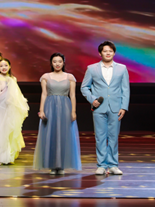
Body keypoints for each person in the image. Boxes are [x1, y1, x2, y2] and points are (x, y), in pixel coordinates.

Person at [80, 41, 130, 176]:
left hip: (116, 107)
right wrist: (93, 99)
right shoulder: (92, 68)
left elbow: (125, 89)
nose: (108, 53)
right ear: (100, 53)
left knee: (113, 137)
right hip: (99, 108)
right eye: (105, 51)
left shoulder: (122, 68)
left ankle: (113, 165)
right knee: (100, 137)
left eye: (110, 51)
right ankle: (101, 165)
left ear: (114, 53)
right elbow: (84, 87)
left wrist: (124, 107)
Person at [33, 53, 81, 174]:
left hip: (65, 107)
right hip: (50, 106)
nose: (57, 64)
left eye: (60, 61)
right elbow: (44, 94)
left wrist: (73, 111)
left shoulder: (70, 77)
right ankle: (53, 166)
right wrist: (41, 110)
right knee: (51, 135)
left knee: (64, 135)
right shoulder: (46, 77)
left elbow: (73, 95)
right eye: (54, 61)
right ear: (51, 63)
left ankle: (61, 166)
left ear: (63, 63)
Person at [0, 58, 29, 165]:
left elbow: (16, 95)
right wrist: (8, 87)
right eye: (1, 66)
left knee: (7, 132)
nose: (4, 68)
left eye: (6, 65)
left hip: (8, 108)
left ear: (9, 66)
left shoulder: (12, 78)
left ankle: (5, 156)